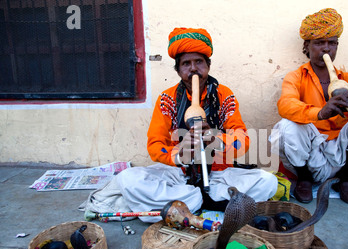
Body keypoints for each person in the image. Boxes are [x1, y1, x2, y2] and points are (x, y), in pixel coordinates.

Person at [82, 27, 277, 223]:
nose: (193, 69)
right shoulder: (167, 99)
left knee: (268, 182)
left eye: (198, 62)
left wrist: (216, 140)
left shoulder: (224, 95)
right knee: (127, 179)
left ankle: (187, 206)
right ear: (178, 70)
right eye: (186, 63)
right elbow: (155, 145)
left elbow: (242, 142)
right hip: (179, 176)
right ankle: (206, 202)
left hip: (219, 174)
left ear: (207, 65)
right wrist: (181, 154)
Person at [271, 8, 348, 205]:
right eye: (319, 43)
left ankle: (345, 180)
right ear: (307, 47)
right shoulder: (296, 77)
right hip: (310, 147)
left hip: (340, 148)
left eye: (332, 43)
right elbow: (286, 105)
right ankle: (304, 179)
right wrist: (320, 113)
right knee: (286, 127)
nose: (326, 49)